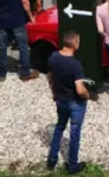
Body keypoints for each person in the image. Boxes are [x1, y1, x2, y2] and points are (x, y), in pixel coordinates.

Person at [46, 31, 90, 174]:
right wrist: (87, 95)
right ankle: (72, 166)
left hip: (60, 100)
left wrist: (54, 94)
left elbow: (51, 78)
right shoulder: (75, 65)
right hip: (75, 103)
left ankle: (52, 160)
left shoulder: (53, 57)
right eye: (79, 41)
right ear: (75, 44)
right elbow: (79, 89)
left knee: (59, 127)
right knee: (74, 133)